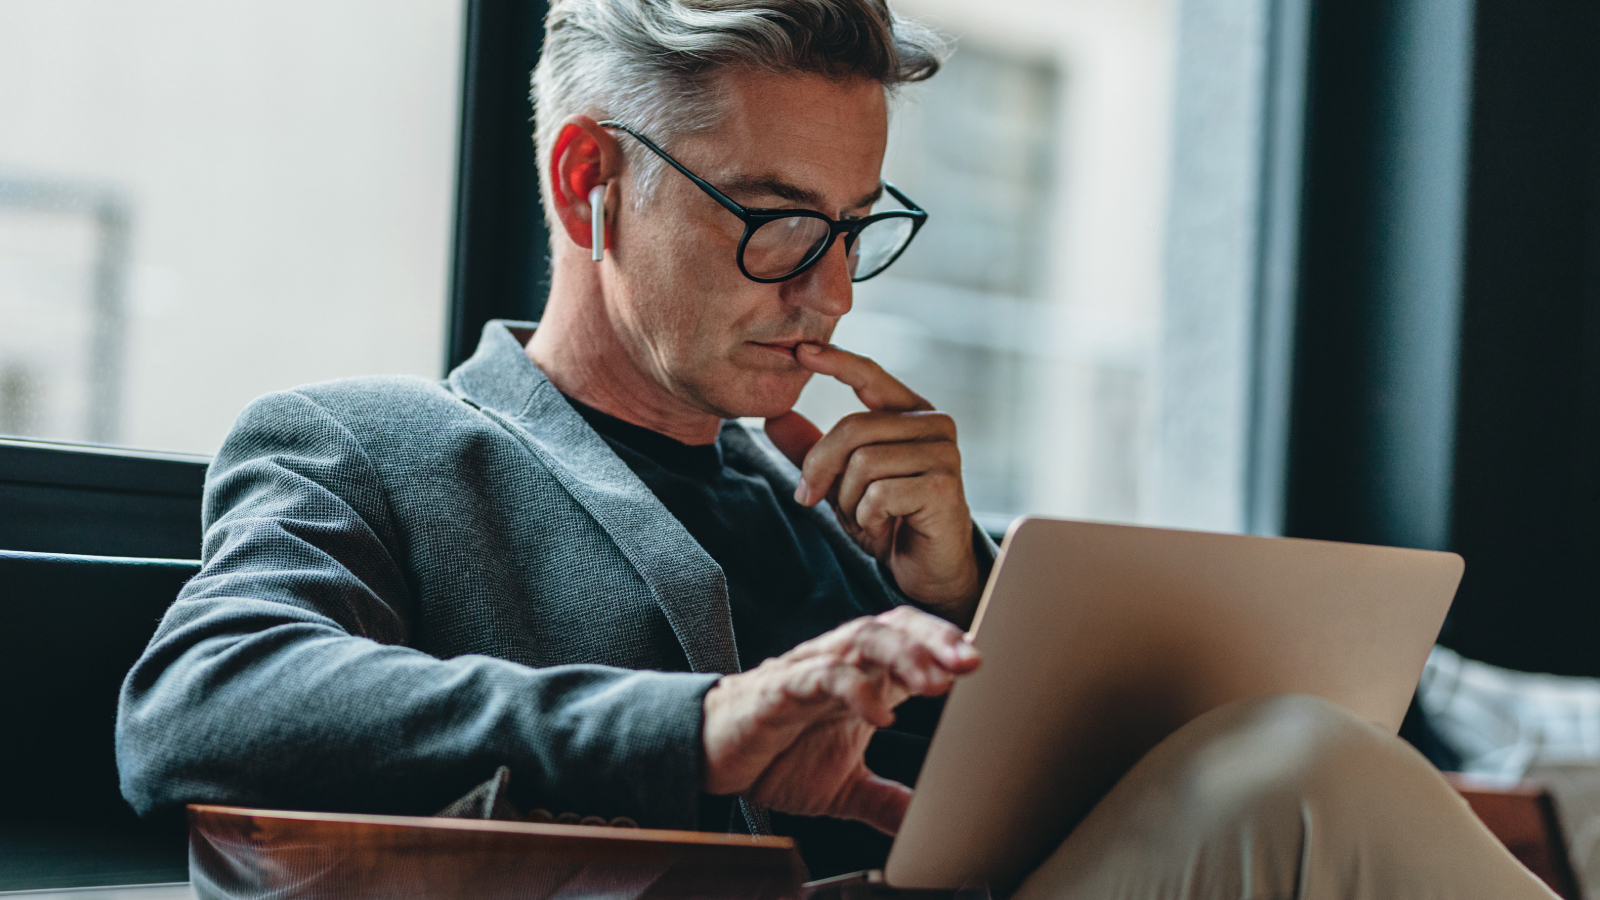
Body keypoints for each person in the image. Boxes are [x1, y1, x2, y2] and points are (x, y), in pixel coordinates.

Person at [116, 0, 1555, 895]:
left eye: (857, 222)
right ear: (590, 181)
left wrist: (971, 597)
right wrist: (698, 729)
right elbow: (198, 703)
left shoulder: (837, 510)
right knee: (1306, 773)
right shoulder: (376, 449)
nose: (834, 287)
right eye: (774, 217)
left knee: (1315, 763)